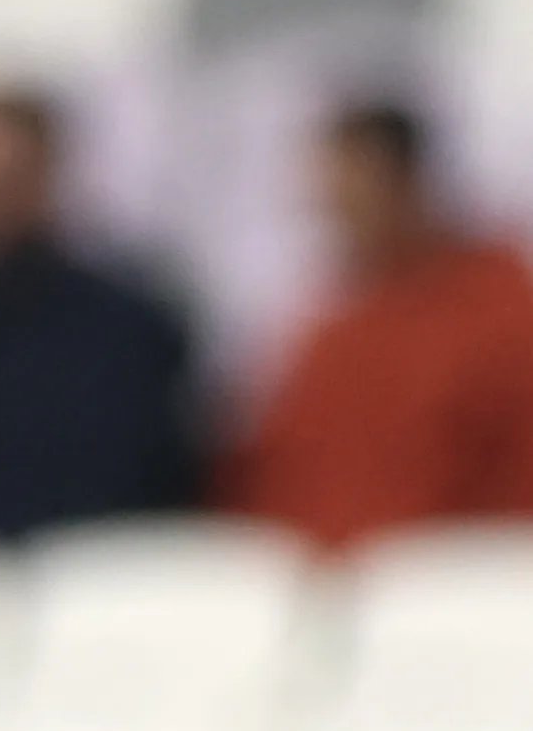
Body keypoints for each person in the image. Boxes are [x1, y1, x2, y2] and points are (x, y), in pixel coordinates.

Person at [0, 88, 201, 539]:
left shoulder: (132, 326)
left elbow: (159, 484)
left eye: (7, 178)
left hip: (102, 578)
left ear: (48, 172)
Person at [225, 102, 533, 549]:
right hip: (327, 586)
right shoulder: (330, 332)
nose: (339, 218)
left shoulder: (501, 310)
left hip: (468, 581)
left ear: (403, 181)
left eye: (352, 194)